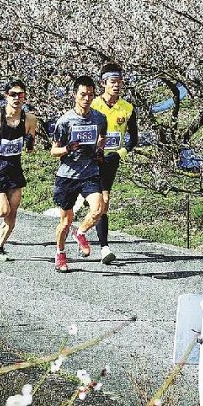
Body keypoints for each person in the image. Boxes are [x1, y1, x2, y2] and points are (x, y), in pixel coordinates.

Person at [51, 76, 108, 273]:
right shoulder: (65, 121)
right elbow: (54, 151)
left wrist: (99, 151)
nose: (87, 98)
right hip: (67, 176)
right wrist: (68, 147)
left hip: (90, 172)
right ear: (75, 95)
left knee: (98, 208)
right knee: (65, 222)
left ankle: (81, 232)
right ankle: (60, 253)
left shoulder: (100, 118)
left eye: (90, 95)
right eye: (83, 94)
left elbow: (103, 137)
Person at [0, 80, 38, 262]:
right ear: (6, 96)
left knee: (13, 211)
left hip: (14, 168)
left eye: (20, 95)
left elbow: (30, 143)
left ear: (24, 97)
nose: (17, 98)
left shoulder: (30, 119)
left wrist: (29, 143)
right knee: (3, 211)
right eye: (13, 94)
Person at [90, 62, 138, 265]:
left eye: (119, 82)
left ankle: (86, 232)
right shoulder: (93, 105)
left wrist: (120, 153)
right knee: (101, 202)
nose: (116, 85)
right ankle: (104, 247)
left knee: (103, 204)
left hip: (112, 160)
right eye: (112, 82)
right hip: (91, 159)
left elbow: (134, 139)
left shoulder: (127, 108)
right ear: (103, 83)